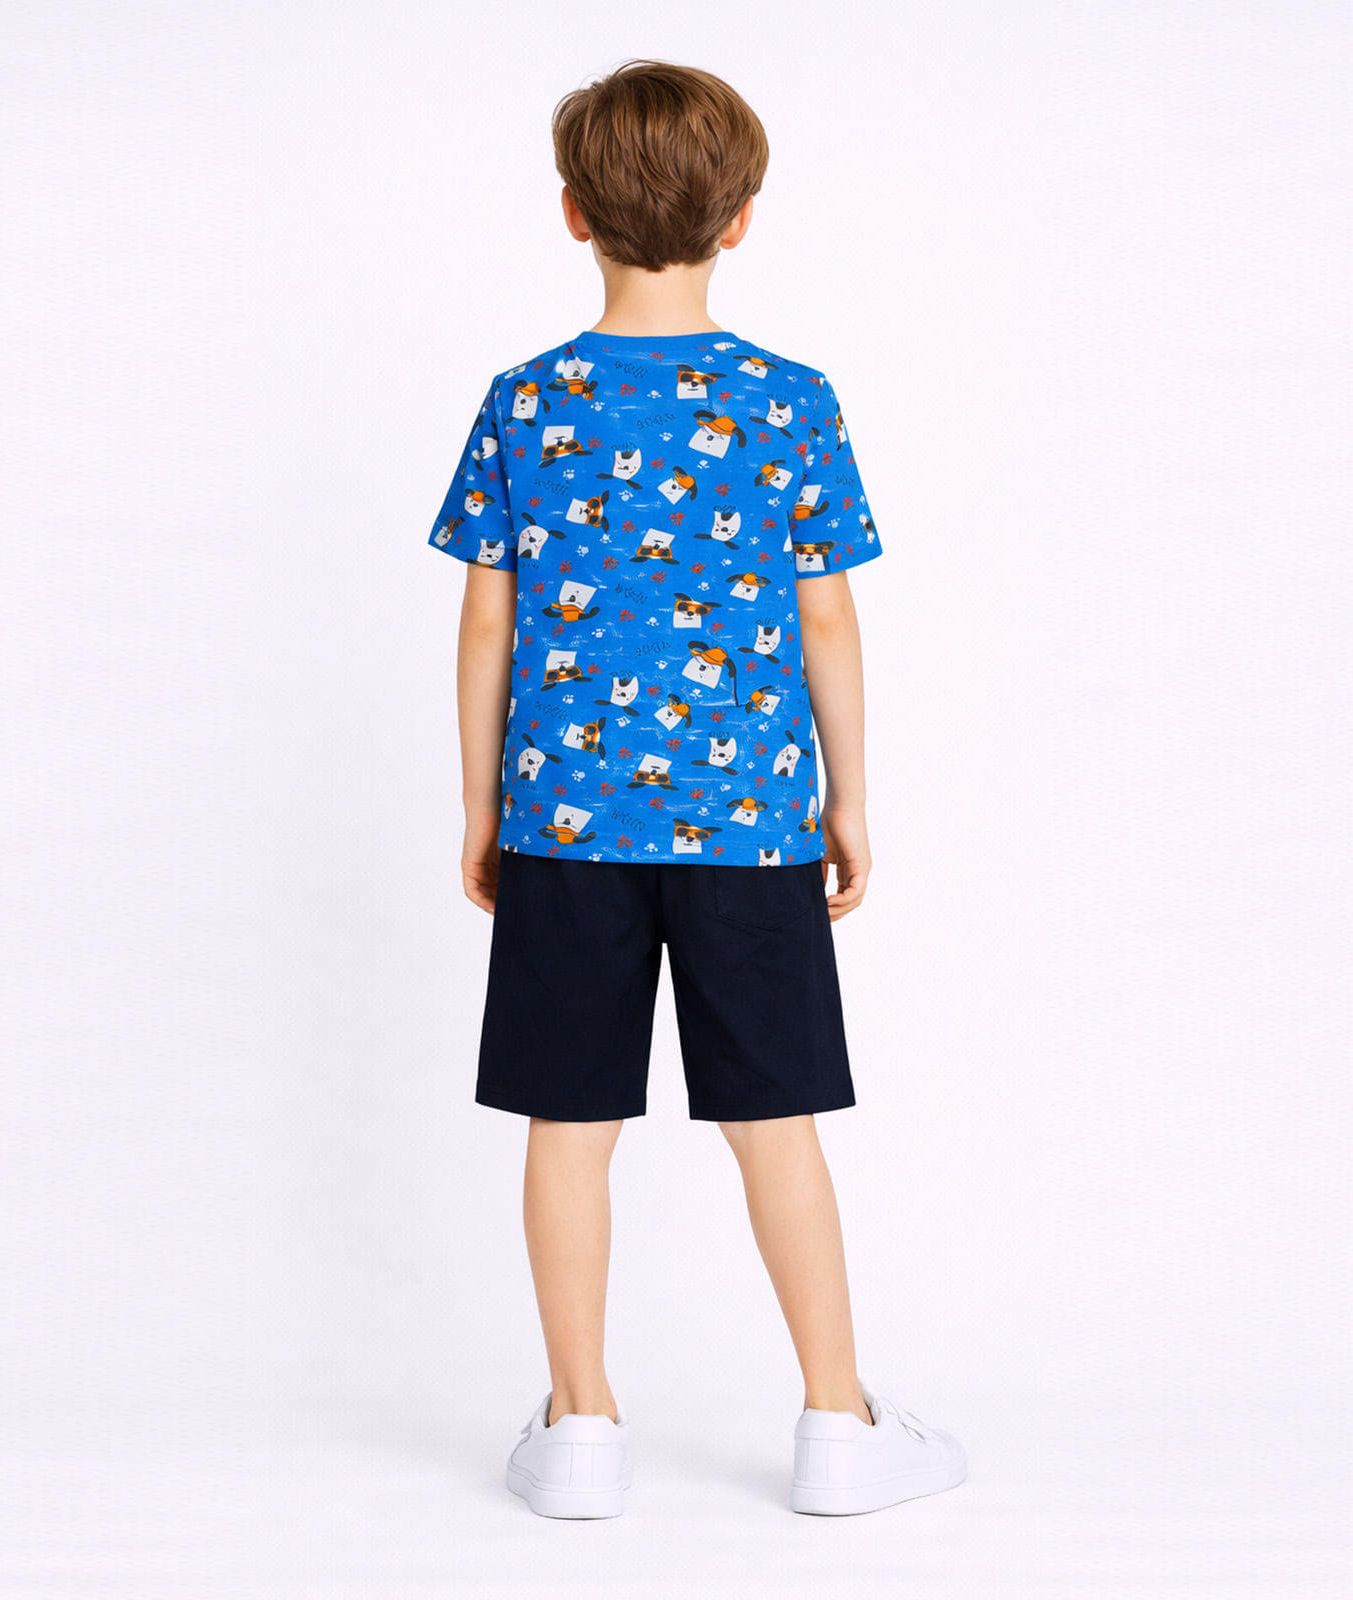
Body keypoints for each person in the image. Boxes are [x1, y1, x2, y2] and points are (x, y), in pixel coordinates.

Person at [425, 58, 966, 1520]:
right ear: (741, 220)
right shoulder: (789, 402)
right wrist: (848, 797)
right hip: (751, 825)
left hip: (565, 824)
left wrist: (482, 805)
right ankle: (839, 1422)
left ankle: (581, 1430)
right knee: (774, 1122)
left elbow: (487, 616)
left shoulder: (527, 401)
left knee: (567, 1124)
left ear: (570, 211)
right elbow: (826, 615)